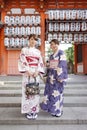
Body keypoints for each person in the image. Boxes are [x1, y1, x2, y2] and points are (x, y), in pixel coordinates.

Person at [18, 34, 44, 119]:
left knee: (35, 92)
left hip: (35, 73)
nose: (33, 41)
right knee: (27, 91)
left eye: (35, 40)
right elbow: (22, 60)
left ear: (36, 41)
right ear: (29, 40)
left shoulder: (38, 52)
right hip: (27, 73)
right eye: (31, 39)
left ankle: (34, 110)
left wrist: (37, 71)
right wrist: (27, 70)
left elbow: (40, 62)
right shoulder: (24, 50)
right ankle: (28, 111)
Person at [40, 39, 68, 117]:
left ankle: (58, 111)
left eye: (54, 44)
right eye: (51, 44)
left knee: (58, 94)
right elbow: (50, 66)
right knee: (51, 94)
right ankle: (53, 109)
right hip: (51, 78)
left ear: (57, 44)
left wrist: (60, 76)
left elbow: (62, 65)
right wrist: (47, 65)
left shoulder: (61, 53)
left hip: (58, 77)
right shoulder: (52, 56)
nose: (53, 46)